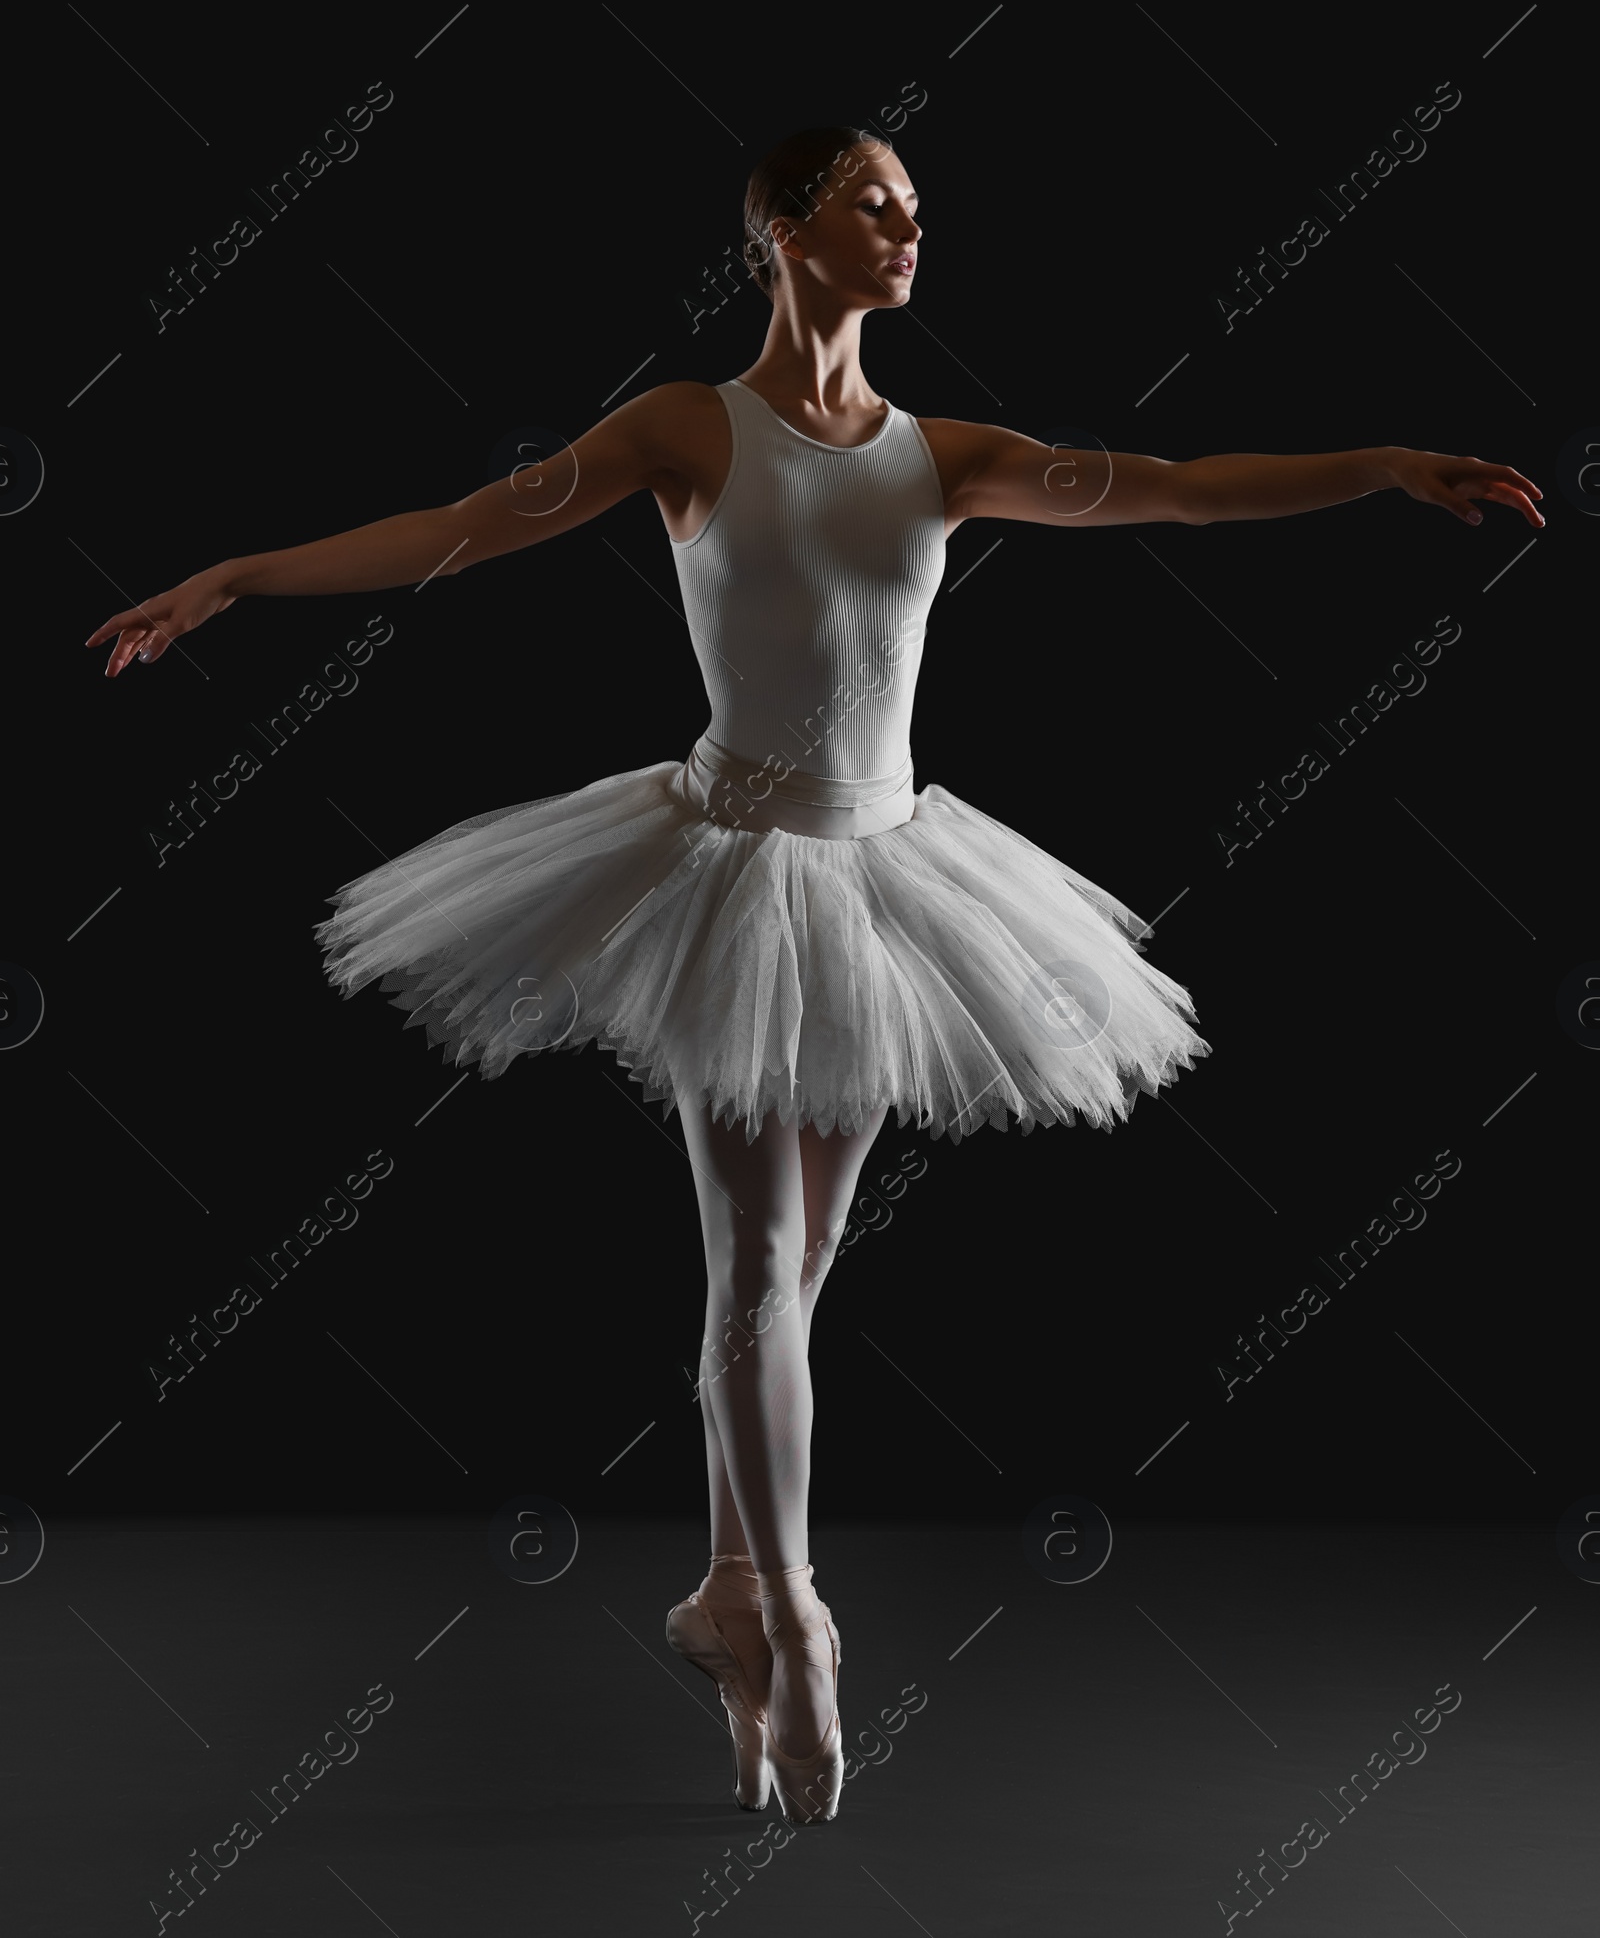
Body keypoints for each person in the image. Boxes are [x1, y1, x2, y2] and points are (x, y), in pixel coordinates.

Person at [85, 123, 1543, 1826]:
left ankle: (722, 1589)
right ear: (782, 226)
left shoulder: (942, 454)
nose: (912, 224)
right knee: (760, 1260)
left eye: (922, 201)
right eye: (875, 199)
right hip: (720, 868)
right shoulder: (689, 429)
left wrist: (1379, 464)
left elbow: (1176, 483)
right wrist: (240, 579)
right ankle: (793, 1613)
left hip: (888, 873)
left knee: (803, 1265)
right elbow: (467, 528)